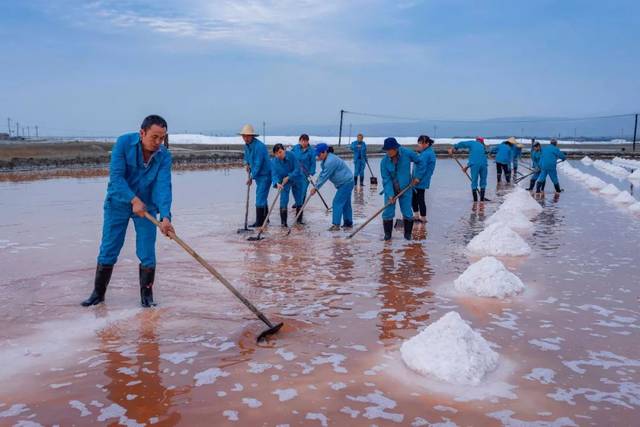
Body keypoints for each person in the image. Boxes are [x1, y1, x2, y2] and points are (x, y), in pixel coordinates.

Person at [81, 115, 174, 308]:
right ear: (142, 133)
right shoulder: (124, 143)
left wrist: (165, 216)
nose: (158, 142)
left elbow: (163, 186)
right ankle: (98, 295)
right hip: (118, 202)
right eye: (154, 137)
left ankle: (147, 298)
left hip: (147, 206)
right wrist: (133, 199)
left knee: (147, 252)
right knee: (109, 248)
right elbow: (116, 177)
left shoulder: (164, 156)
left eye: (162, 138)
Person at [380, 137, 424, 241]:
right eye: (386, 150)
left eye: (390, 150)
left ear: (396, 148)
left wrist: (417, 176)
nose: (388, 152)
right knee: (387, 212)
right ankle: (388, 237)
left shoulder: (407, 153)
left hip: (406, 187)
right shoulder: (384, 162)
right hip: (390, 189)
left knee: (407, 212)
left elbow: (420, 162)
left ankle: (407, 237)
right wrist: (390, 194)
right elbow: (386, 180)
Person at [311, 143, 354, 230]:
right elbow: (322, 173)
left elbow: (325, 176)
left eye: (319, 155)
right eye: (317, 155)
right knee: (345, 203)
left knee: (337, 202)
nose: (318, 157)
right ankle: (348, 223)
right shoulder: (326, 160)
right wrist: (316, 183)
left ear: (325, 152)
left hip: (346, 183)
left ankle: (336, 225)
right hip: (346, 182)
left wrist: (316, 187)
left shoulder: (331, 161)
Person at [241, 124, 271, 227]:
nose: (245, 138)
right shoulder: (247, 145)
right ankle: (266, 219)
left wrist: (251, 177)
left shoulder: (260, 147)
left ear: (252, 136)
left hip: (265, 175)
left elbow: (258, 164)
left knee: (259, 198)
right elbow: (246, 157)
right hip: (257, 175)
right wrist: (247, 164)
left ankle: (260, 223)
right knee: (263, 197)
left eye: (247, 136)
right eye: (244, 136)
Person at [271, 143, 304, 227]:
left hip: (296, 178)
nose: (279, 155)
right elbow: (274, 174)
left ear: (284, 150)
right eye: (276, 153)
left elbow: (297, 169)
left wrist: (289, 176)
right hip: (284, 181)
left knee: (299, 199)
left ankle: (299, 222)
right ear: (274, 154)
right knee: (283, 200)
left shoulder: (292, 156)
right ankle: (283, 224)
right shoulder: (274, 161)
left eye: (280, 152)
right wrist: (276, 183)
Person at [448, 137, 488, 202]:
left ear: (477, 140)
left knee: (474, 182)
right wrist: (466, 167)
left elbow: (462, 144)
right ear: (482, 142)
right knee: (483, 182)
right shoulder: (483, 147)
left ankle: (475, 201)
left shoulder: (473, 143)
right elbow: (479, 158)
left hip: (474, 165)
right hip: (484, 165)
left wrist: (454, 148)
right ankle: (482, 200)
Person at [291, 134, 316, 224]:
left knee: (302, 192)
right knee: (297, 191)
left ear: (308, 141)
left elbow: (313, 163)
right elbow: (291, 157)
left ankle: (299, 217)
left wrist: (311, 174)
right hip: (296, 174)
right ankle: (298, 203)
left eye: (305, 141)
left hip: (305, 175)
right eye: (302, 140)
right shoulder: (295, 148)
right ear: (299, 141)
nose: (304, 142)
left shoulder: (311, 151)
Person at [412, 135, 437, 223]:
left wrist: (417, 178)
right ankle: (417, 216)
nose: (419, 145)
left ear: (427, 143)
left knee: (419, 198)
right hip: (421, 179)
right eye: (419, 143)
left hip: (420, 180)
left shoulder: (426, 154)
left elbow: (421, 167)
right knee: (416, 198)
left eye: (421, 143)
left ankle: (422, 218)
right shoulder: (427, 152)